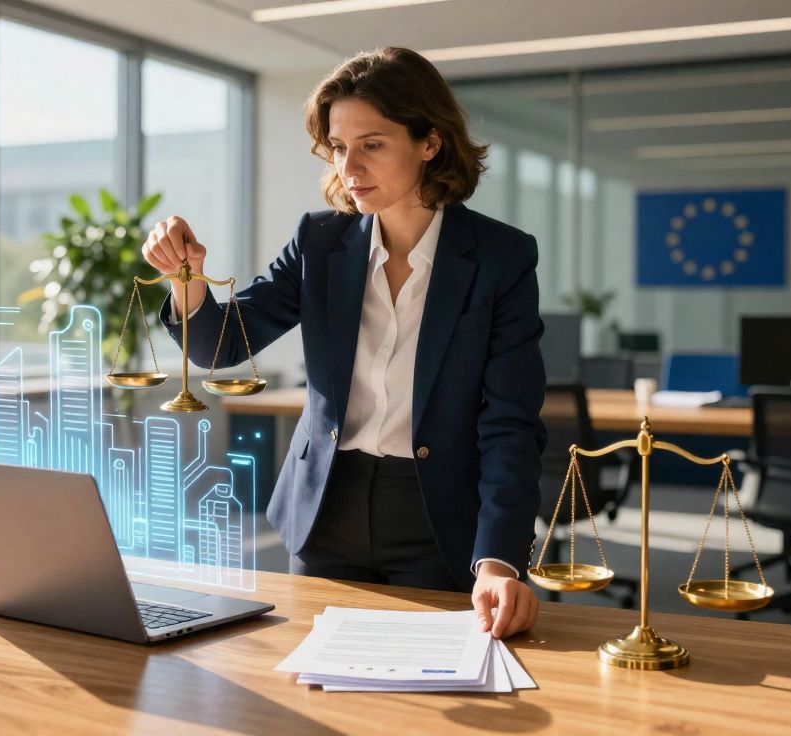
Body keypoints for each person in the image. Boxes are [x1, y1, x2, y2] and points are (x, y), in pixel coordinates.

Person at [142, 47, 544, 638]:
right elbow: (224, 345)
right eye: (337, 146)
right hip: (326, 507)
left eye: (372, 144)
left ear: (429, 142)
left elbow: (511, 422)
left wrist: (498, 559)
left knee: (427, 700)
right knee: (319, 696)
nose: (348, 165)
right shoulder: (320, 243)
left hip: (438, 516)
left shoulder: (501, 257)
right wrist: (187, 280)